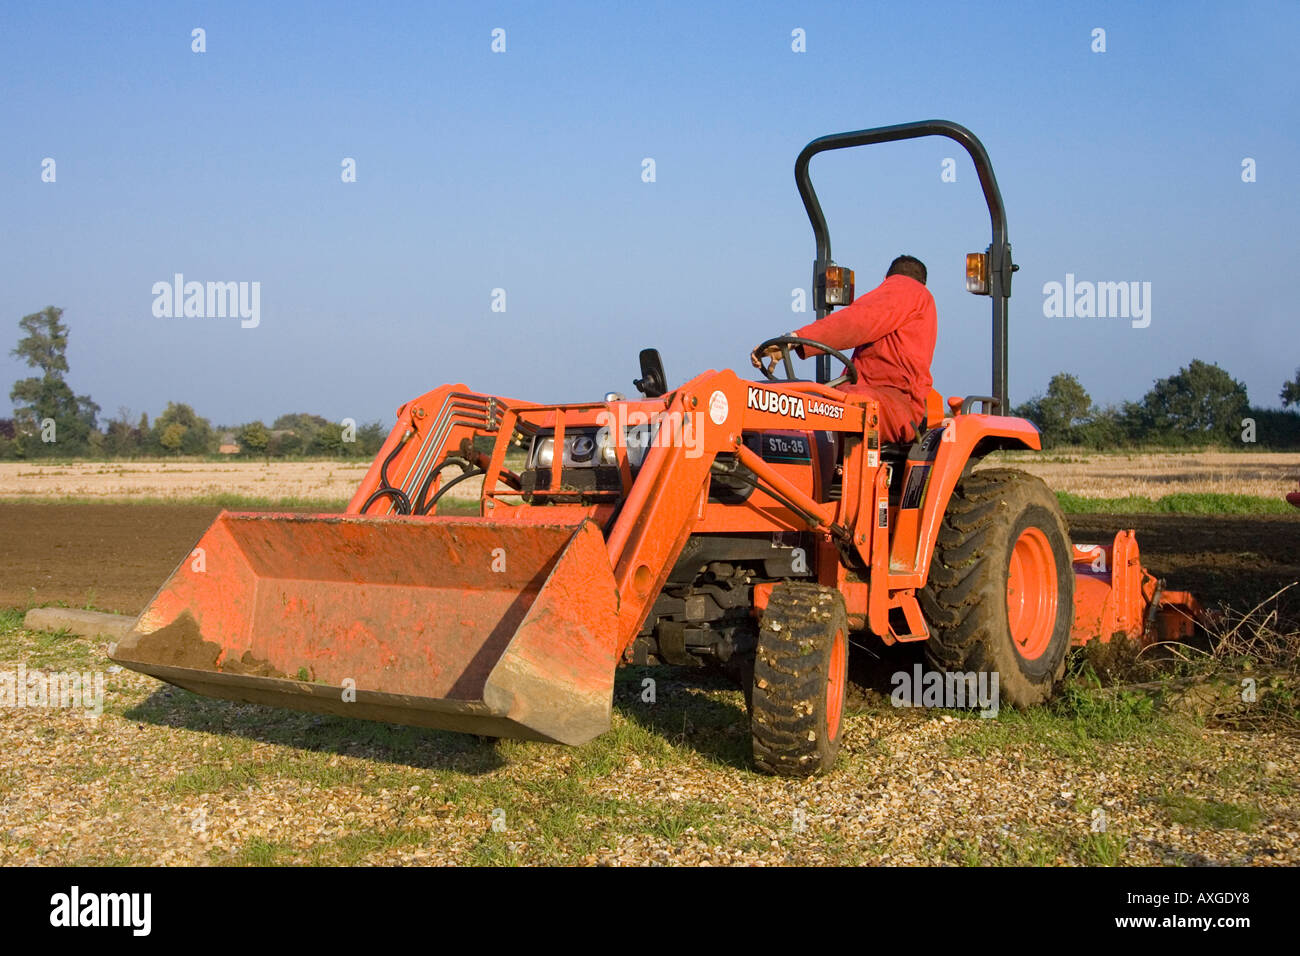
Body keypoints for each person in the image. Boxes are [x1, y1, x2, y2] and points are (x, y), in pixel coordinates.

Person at [751, 254, 936, 443]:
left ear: (886, 280)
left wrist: (795, 339)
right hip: (880, 398)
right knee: (800, 399)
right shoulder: (916, 305)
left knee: (826, 408)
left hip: (892, 402)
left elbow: (858, 321)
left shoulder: (906, 289)